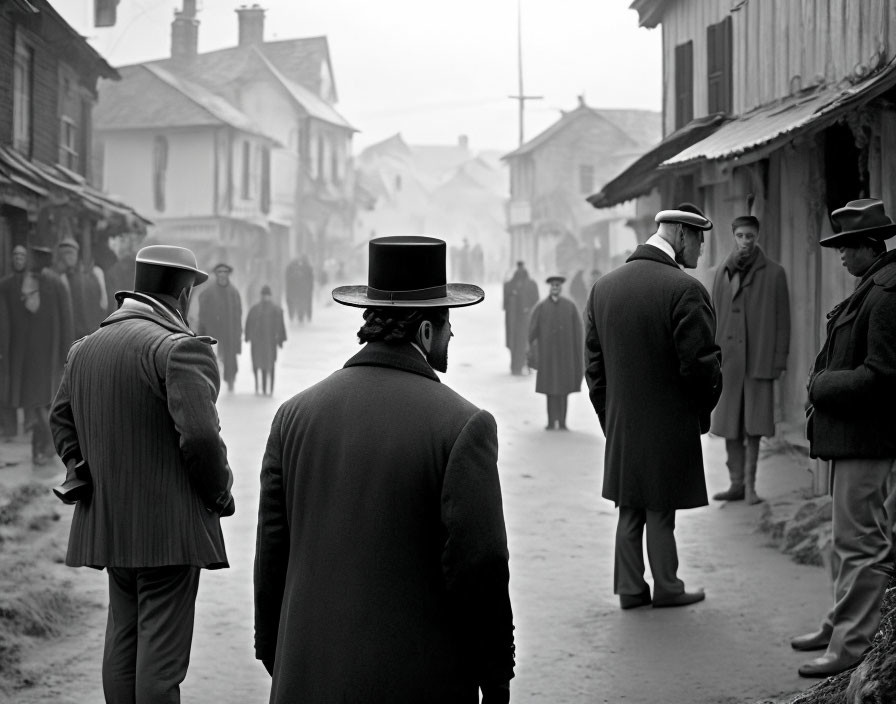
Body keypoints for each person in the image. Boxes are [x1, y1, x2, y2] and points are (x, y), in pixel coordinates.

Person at [254, 236, 515, 704]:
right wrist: (495, 676)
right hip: (418, 679)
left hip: (306, 676)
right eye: (448, 323)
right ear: (426, 333)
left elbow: (272, 550)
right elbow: (482, 564)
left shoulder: (293, 416)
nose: (453, 335)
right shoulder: (462, 426)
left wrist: (280, 655)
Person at [49, 244, 235, 703]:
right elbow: (202, 439)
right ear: (185, 294)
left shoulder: (84, 350)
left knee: (123, 641)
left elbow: (60, 420)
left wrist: (84, 470)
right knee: (160, 663)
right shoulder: (178, 349)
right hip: (168, 533)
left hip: (111, 527)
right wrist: (219, 494)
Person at [584, 204, 722, 610]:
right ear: (680, 234)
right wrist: (698, 414)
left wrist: (611, 418)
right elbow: (702, 367)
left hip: (623, 422)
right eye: (698, 238)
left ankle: (629, 589)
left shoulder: (604, 287)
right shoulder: (684, 289)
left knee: (630, 507)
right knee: (661, 508)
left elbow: (594, 368)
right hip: (669, 422)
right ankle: (668, 586)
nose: (700, 248)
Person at [791, 198, 896, 678]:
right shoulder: (872, 285)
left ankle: (852, 642)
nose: (839, 256)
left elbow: (882, 375)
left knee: (860, 543)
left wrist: (821, 385)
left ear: (868, 246)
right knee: (846, 539)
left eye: (845, 247)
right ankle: (839, 623)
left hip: (868, 437)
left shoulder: (888, 292)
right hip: (851, 437)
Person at [710, 215, 790, 504]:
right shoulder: (722, 272)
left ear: (757, 237)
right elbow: (712, 317)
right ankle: (736, 484)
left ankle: (751, 487)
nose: (746, 241)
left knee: (754, 426)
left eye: (750, 236)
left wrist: (778, 361)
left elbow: (783, 321)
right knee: (731, 424)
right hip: (729, 363)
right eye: (741, 236)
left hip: (758, 360)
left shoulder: (774, 273)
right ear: (734, 236)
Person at [0, 244, 73, 464]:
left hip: (41, 355)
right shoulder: (49, 282)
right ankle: (41, 448)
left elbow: (65, 320)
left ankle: (46, 445)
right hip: (42, 355)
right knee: (40, 402)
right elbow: (66, 320)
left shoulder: (44, 282)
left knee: (39, 402)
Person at [528, 275, 583, 430]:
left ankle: (563, 422)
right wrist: (531, 353)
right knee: (550, 390)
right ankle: (552, 422)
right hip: (548, 356)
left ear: (561, 287)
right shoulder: (541, 307)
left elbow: (578, 333)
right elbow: (532, 332)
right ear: (549, 287)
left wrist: (578, 355)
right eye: (553, 285)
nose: (555, 287)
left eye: (558, 285)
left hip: (566, 355)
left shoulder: (570, 307)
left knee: (564, 390)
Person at [198, 263, 242, 392]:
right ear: (216, 274)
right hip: (213, 331)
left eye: (225, 272)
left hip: (229, 331)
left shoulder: (233, 292)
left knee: (230, 359)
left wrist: (238, 331)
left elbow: (238, 313)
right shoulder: (208, 292)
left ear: (228, 274)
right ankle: (211, 383)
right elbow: (203, 313)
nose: (222, 275)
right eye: (220, 272)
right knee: (211, 358)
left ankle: (230, 381)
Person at [0, 244, 28, 439]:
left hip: (28, 341)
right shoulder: (5, 284)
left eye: (22, 256)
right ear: (11, 259)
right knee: (8, 384)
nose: (18, 259)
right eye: (15, 256)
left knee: (29, 383)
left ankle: (30, 425)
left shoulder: (33, 284)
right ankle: (9, 428)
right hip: (9, 342)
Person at [58, 236, 107, 339]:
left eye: (71, 253)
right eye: (66, 254)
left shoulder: (92, 275)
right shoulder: (60, 278)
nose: (69, 257)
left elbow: (103, 304)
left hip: (87, 330)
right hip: (71, 331)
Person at [244, 284, 287, 395]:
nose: (265, 297)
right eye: (264, 295)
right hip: (257, 342)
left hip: (270, 342)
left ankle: (270, 389)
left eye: (267, 295)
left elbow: (280, 325)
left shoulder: (276, 310)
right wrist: (248, 336)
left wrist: (281, 339)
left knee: (270, 365)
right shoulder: (255, 309)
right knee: (257, 365)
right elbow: (249, 323)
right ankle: (258, 387)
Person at [503, 261, 539, 375]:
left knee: (525, 342)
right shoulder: (510, 284)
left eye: (522, 268)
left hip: (525, 319)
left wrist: (528, 308)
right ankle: (515, 366)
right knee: (514, 343)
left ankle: (526, 364)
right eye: (518, 268)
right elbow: (505, 304)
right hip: (513, 320)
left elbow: (536, 299)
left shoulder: (531, 284)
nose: (520, 270)